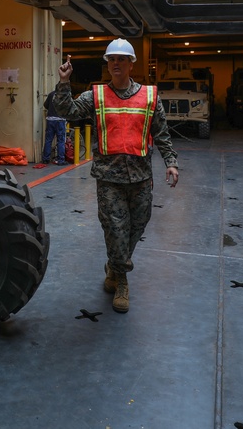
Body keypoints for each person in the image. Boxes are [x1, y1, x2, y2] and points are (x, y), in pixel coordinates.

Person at [52, 39, 179, 313]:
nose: (116, 63)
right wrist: (64, 82)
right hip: (109, 177)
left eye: (122, 59)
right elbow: (66, 111)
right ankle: (121, 279)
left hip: (141, 176)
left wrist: (171, 162)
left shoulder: (149, 96)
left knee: (138, 226)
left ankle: (114, 265)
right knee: (116, 230)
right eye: (111, 59)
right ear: (107, 64)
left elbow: (161, 133)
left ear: (132, 63)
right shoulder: (95, 96)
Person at [41, 89, 67, 165]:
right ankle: (61, 160)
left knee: (48, 140)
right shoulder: (65, 95)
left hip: (50, 120)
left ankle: (46, 159)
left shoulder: (51, 94)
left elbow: (45, 105)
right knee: (61, 141)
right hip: (60, 120)